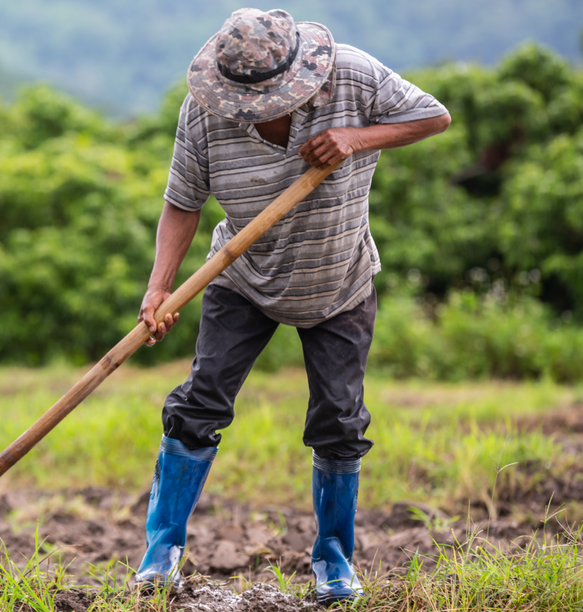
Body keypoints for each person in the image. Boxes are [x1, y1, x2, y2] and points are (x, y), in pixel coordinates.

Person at [133, 7, 451, 604]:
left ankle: (334, 562)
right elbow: (182, 202)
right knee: (200, 403)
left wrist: (356, 138)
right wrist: (160, 287)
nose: (255, 111)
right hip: (241, 275)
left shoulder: (353, 76)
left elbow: (434, 116)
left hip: (339, 280)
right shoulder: (205, 112)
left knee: (338, 420)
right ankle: (161, 555)